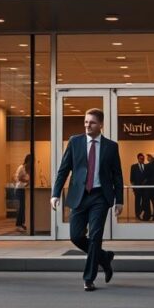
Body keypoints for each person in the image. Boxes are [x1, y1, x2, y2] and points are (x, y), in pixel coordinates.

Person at [50, 108, 124, 292]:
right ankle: (104, 258)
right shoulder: (75, 142)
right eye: (85, 122)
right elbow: (64, 169)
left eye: (92, 122)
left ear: (101, 125)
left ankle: (89, 278)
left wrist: (119, 200)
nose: (87, 125)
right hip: (80, 196)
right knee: (76, 236)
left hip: (100, 196)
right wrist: (55, 193)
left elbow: (117, 175)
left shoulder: (111, 146)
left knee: (95, 237)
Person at [13, 154, 31, 232]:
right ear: (28, 160)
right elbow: (19, 178)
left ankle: (22, 223)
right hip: (19, 189)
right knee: (21, 207)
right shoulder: (22, 167)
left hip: (24, 189)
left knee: (24, 207)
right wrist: (27, 181)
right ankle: (18, 224)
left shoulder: (28, 168)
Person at [129, 153, 150, 220]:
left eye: (143, 159)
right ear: (138, 159)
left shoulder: (146, 166)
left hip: (145, 188)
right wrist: (134, 187)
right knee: (137, 201)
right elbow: (131, 179)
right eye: (141, 158)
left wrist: (146, 181)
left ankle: (144, 214)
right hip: (137, 188)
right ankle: (137, 215)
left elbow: (148, 177)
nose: (142, 160)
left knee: (145, 201)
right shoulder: (133, 167)